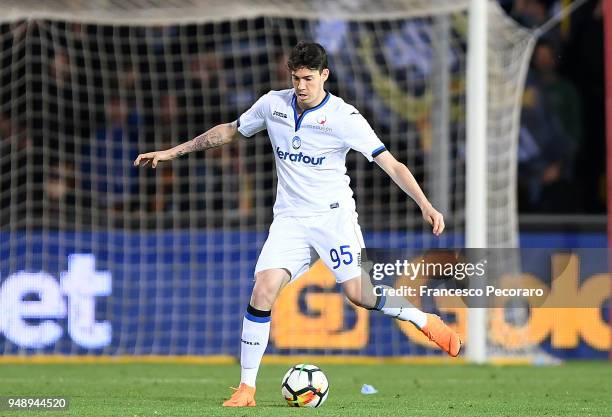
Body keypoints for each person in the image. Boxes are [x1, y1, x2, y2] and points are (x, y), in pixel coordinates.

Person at [134, 41, 461, 407]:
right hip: (290, 219)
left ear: (324, 75)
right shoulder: (272, 104)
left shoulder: (344, 117)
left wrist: (426, 205)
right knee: (263, 289)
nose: (301, 85)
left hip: (334, 219)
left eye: (308, 77)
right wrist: (171, 152)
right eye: (295, 77)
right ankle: (246, 389)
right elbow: (228, 131)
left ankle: (423, 319)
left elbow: (392, 164)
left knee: (360, 294)